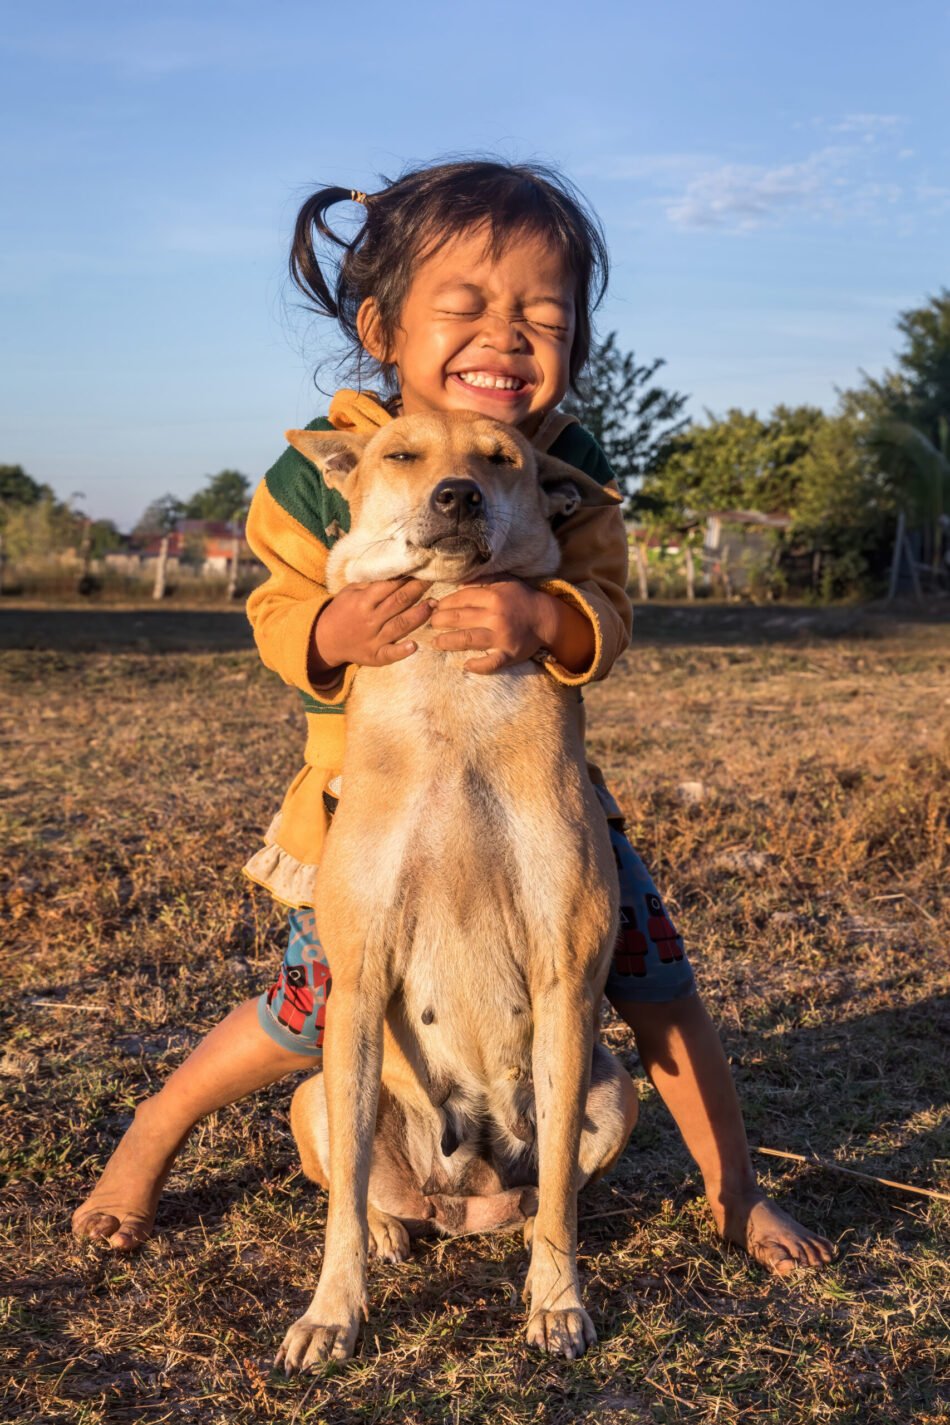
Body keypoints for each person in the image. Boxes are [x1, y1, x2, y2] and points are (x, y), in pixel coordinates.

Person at [73, 159, 832, 1276]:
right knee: (306, 1006)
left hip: (533, 783)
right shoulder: (318, 465)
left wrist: (548, 615)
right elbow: (276, 606)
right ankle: (151, 1135)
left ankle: (736, 1194)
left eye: (542, 315)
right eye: (467, 306)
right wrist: (330, 635)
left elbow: (609, 612)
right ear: (382, 326)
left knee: (654, 980)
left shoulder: (566, 467)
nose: (507, 335)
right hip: (366, 794)